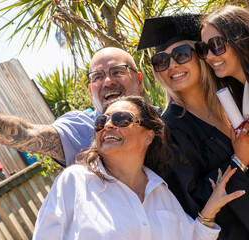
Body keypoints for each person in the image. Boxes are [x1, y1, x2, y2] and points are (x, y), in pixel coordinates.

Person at [33, 95, 245, 239]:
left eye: (121, 119)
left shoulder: (161, 190)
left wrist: (209, 212)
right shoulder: (75, 182)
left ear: (149, 135)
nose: (108, 125)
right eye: (101, 121)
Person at [137, 14, 249, 239]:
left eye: (181, 54)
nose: (172, 65)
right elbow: (191, 203)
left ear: (200, 55)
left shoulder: (236, 94)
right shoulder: (168, 133)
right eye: (161, 60)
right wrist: (238, 161)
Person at [0, 47, 144, 167]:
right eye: (97, 77)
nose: (108, 82)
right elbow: (28, 133)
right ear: (90, 90)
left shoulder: (166, 122)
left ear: (139, 80)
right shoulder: (82, 128)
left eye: (117, 72)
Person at [196, 5, 248, 131]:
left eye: (217, 44)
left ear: (239, 40)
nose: (208, 56)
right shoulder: (240, 94)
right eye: (203, 48)